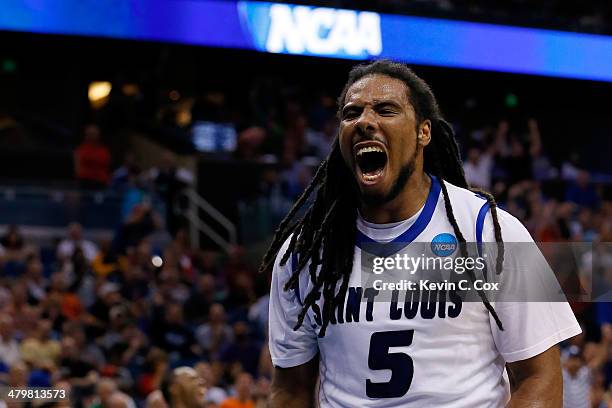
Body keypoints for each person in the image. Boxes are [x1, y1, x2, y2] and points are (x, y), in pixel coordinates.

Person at [263, 60, 581, 407]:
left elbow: (541, 378)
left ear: (423, 132)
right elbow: (290, 390)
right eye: (351, 113)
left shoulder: (489, 232)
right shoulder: (304, 254)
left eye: (386, 110)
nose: (365, 121)